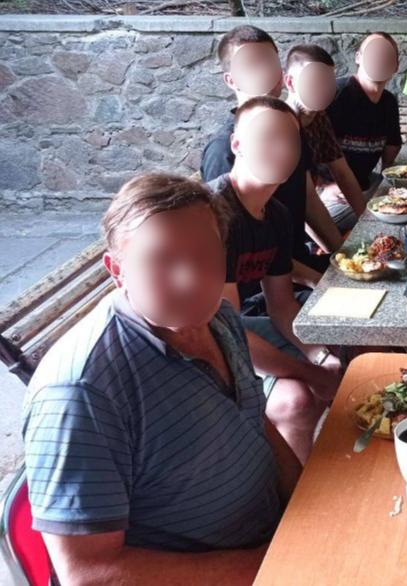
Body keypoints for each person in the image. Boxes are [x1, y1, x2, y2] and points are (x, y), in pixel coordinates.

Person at [22, 174, 300, 584]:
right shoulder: (80, 392)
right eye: (161, 260)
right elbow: (88, 572)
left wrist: (307, 508)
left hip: (277, 543)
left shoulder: (219, 318)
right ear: (118, 270)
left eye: (205, 254)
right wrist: (267, 566)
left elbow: (254, 422)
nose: (191, 279)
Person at [208, 96, 342, 464]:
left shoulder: (277, 214)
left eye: (290, 139)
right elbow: (226, 331)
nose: (282, 148)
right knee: (296, 399)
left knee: (343, 344)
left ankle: (318, 472)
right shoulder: (215, 214)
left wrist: (319, 355)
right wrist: (309, 371)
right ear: (237, 144)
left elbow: (281, 306)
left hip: (235, 326)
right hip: (196, 345)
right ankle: (295, 490)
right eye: (268, 137)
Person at [201, 25, 342, 289]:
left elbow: (308, 200)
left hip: (298, 262)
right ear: (231, 80)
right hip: (260, 288)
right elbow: (239, 256)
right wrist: (321, 283)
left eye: (271, 62)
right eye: (252, 64)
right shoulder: (222, 151)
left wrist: (343, 256)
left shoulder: (291, 129)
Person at [283, 44, 373, 233]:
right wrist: (335, 248)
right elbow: (302, 203)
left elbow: (342, 171)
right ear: (290, 83)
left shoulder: (319, 116)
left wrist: (368, 223)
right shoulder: (282, 126)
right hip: (289, 223)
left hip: (313, 204)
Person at [322, 32, 403, 231]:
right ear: (358, 57)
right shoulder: (335, 94)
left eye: (387, 55)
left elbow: (391, 154)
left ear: (396, 66)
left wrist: (393, 188)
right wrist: (322, 185)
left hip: (366, 185)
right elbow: (303, 146)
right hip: (333, 194)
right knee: (389, 219)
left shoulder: (389, 102)